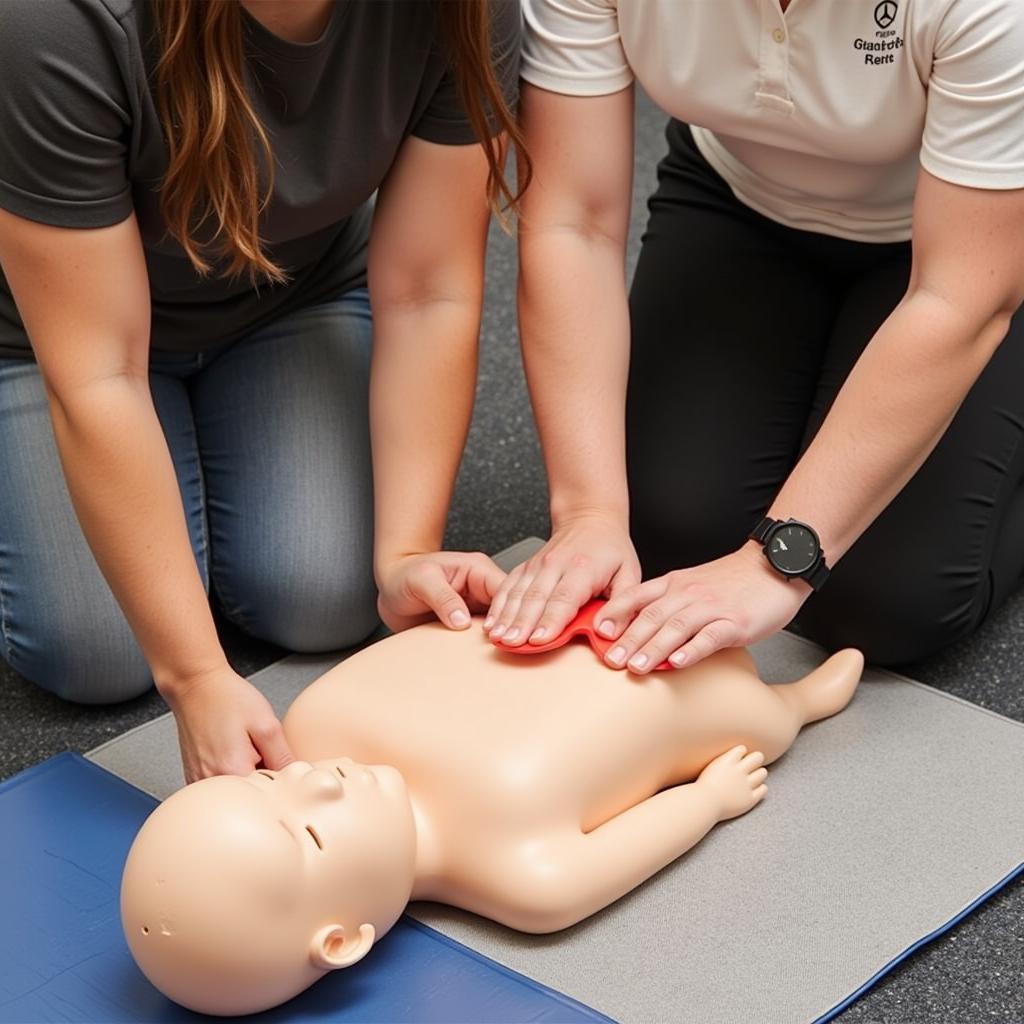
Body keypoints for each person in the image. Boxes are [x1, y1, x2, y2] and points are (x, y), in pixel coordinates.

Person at [0, 0, 523, 782]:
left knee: (324, 596)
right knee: (96, 653)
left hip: (286, 293)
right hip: (49, 339)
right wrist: (197, 677)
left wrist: (407, 550)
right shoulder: (52, 19)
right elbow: (99, 371)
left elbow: (426, 288)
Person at [485, 0, 1024, 671]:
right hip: (742, 200)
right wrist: (588, 512)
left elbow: (955, 298)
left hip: (971, 239)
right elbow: (574, 223)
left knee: (885, 604)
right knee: (670, 538)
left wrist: (779, 562)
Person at [121, 614, 863, 1015]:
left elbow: (428, 644)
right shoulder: (525, 881)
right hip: (691, 698)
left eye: (271, 784)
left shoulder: (315, 725)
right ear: (342, 939)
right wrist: (705, 801)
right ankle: (800, 702)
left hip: (573, 615)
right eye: (311, 830)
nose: (316, 781)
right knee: (761, 723)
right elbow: (631, 846)